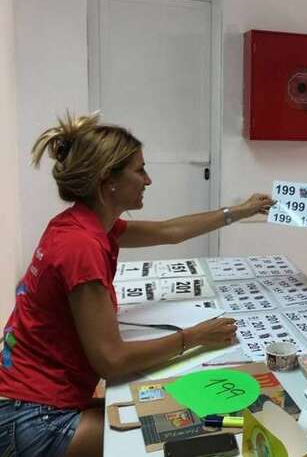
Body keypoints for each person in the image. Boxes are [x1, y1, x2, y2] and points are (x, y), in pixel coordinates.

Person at [0, 113, 274, 457]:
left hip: (27, 397)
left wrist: (240, 211)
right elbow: (111, 361)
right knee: (187, 428)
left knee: (175, 407)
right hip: (31, 418)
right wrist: (194, 337)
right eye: (139, 170)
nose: (148, 180)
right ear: (108, 181)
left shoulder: (79, 224)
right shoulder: (81, 246)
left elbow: (169, 231)